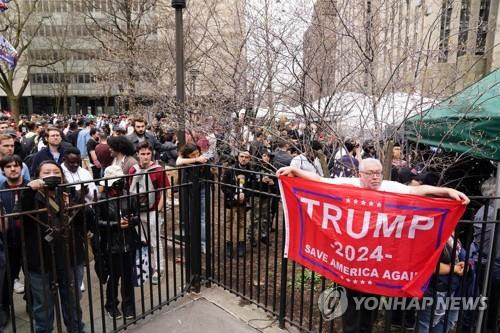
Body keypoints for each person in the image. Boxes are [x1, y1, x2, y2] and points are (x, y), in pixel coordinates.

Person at [276, 158, 469, 333]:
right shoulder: (348, 185)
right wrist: (295, 171)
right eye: (370, 173)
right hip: (349, 263)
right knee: (351, 313)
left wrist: (447, 192)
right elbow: (320, 181)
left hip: (375, 267)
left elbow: (418, 190)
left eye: (378, 172)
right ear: (360, 174)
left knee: (370, 311)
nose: (376, 177)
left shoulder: (389, 186)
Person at [18, 160, 86, 333]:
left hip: (67, 255)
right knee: (43, 305)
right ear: (38, 177)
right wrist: (29, 190)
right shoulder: (31, 196)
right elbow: (21, 215)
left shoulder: (67, 193)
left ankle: (76, 329)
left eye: (56, 172)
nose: (52, 176)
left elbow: (82, 220)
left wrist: (79, 200)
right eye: (46, 173)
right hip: (41, 258)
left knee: (71, 300)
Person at [94, 165, 139, 320]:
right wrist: (115, 225)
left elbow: (137, 216)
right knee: (114, 277)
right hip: (111, 245)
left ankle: (128, 306)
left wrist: (130, 221)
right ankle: (111, 305)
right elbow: (97, 223)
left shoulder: (130, 196)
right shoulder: (101, 200)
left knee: (127, 276)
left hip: (129, 242)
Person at [129, 141, 167, 284]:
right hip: (138, 211)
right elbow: (129, 191)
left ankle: (159, 268)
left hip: (152, 211)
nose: (145, 157)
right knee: (143, 240)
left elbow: (164, 190)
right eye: (142, 154)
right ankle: (147, 265)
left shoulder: (158, 169)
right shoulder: (133, 170)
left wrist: (158, 210)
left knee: (155, 241)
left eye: (148, 154)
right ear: (138, 154)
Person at [0, 155, 27, 327]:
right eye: (8, 166)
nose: (12, 169)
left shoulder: (29, 188)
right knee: (6, 279)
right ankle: (5, 307)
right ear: (3, 170)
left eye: (16, 166)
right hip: (7, 241)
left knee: (32, 275)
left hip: (29, 241)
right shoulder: (1, 191)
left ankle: (32, 303)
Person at [221, 150, 254, 258]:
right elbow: (223, 187)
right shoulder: (230, 170)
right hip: (231, 202)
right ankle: (228, 244)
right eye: (241, 156)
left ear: (249, 159)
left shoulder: (251, 172)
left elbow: (253, 188)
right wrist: (234, 195)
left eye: (246, 157)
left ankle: (241, 243)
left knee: (242, 223)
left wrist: (246, 195)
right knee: (228, 223)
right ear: (238, 157)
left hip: (243, 203)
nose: (243, 159)